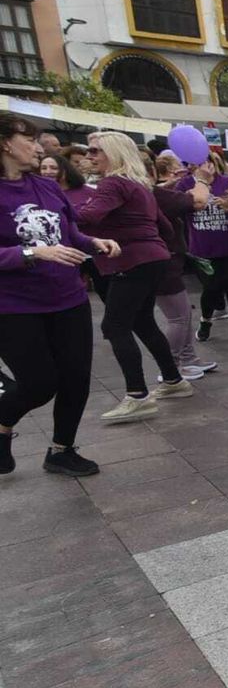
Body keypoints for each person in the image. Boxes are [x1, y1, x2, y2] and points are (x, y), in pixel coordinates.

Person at [0, 116, 118, 477]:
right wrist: (33, 253)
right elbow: (39, 247)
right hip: (14, 306)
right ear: (5, 144)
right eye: (29, 140)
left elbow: (68, 233)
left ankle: (61, 450)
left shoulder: (46, 187)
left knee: (76, 378)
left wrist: (93, 242)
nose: (38, 149)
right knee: (39, 383)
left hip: (68, 298)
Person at [76, 132, 193, 421]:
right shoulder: (139, 185)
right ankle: (173, 380)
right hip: (153, 259)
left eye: (95, 151)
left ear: (113, 153)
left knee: (115, 326)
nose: (89, 156)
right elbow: (166, 228)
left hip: (132, 262)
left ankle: (138, 395)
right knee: (142, 322)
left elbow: (87, 217)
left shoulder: (113, 183)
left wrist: (61, 212)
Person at [149, 155, 212, 382]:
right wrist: (202, 179)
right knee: (178, 318)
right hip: (162, 263)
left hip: (168, 260)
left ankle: (188, 359)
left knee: (183, 315)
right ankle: (171, 368)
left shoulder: (146, 192)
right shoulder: (150, 193)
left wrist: (173, 182)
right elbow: (198, 201)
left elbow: (166, 194)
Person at [178, 152, 228, 342]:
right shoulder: (185, 184)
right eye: (196, 163)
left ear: (213, 163)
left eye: (205, 162)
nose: (201, 166)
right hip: (202, 247)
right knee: (211, 288)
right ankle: (205, 322)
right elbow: (178, 207)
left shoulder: (227, 182)